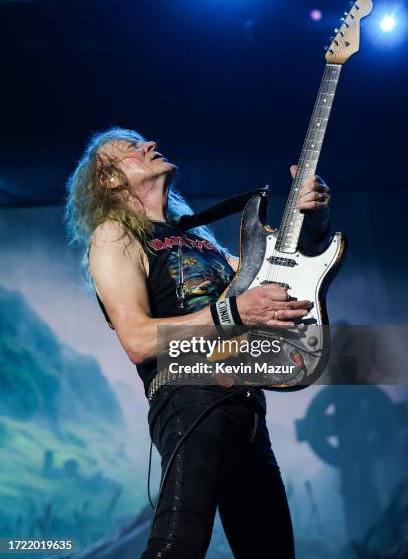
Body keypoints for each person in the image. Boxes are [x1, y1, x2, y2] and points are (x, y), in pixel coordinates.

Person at [65, 127, 331, 558]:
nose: (149, 145)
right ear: (109, 180)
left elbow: (280, 283)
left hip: (245, 406)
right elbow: (136, 338)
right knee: (178, 545)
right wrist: (236, 312)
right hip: (190, 399)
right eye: (130, 148)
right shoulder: (114, 234)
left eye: (144, 141)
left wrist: (311, 221)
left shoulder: (200, 241)